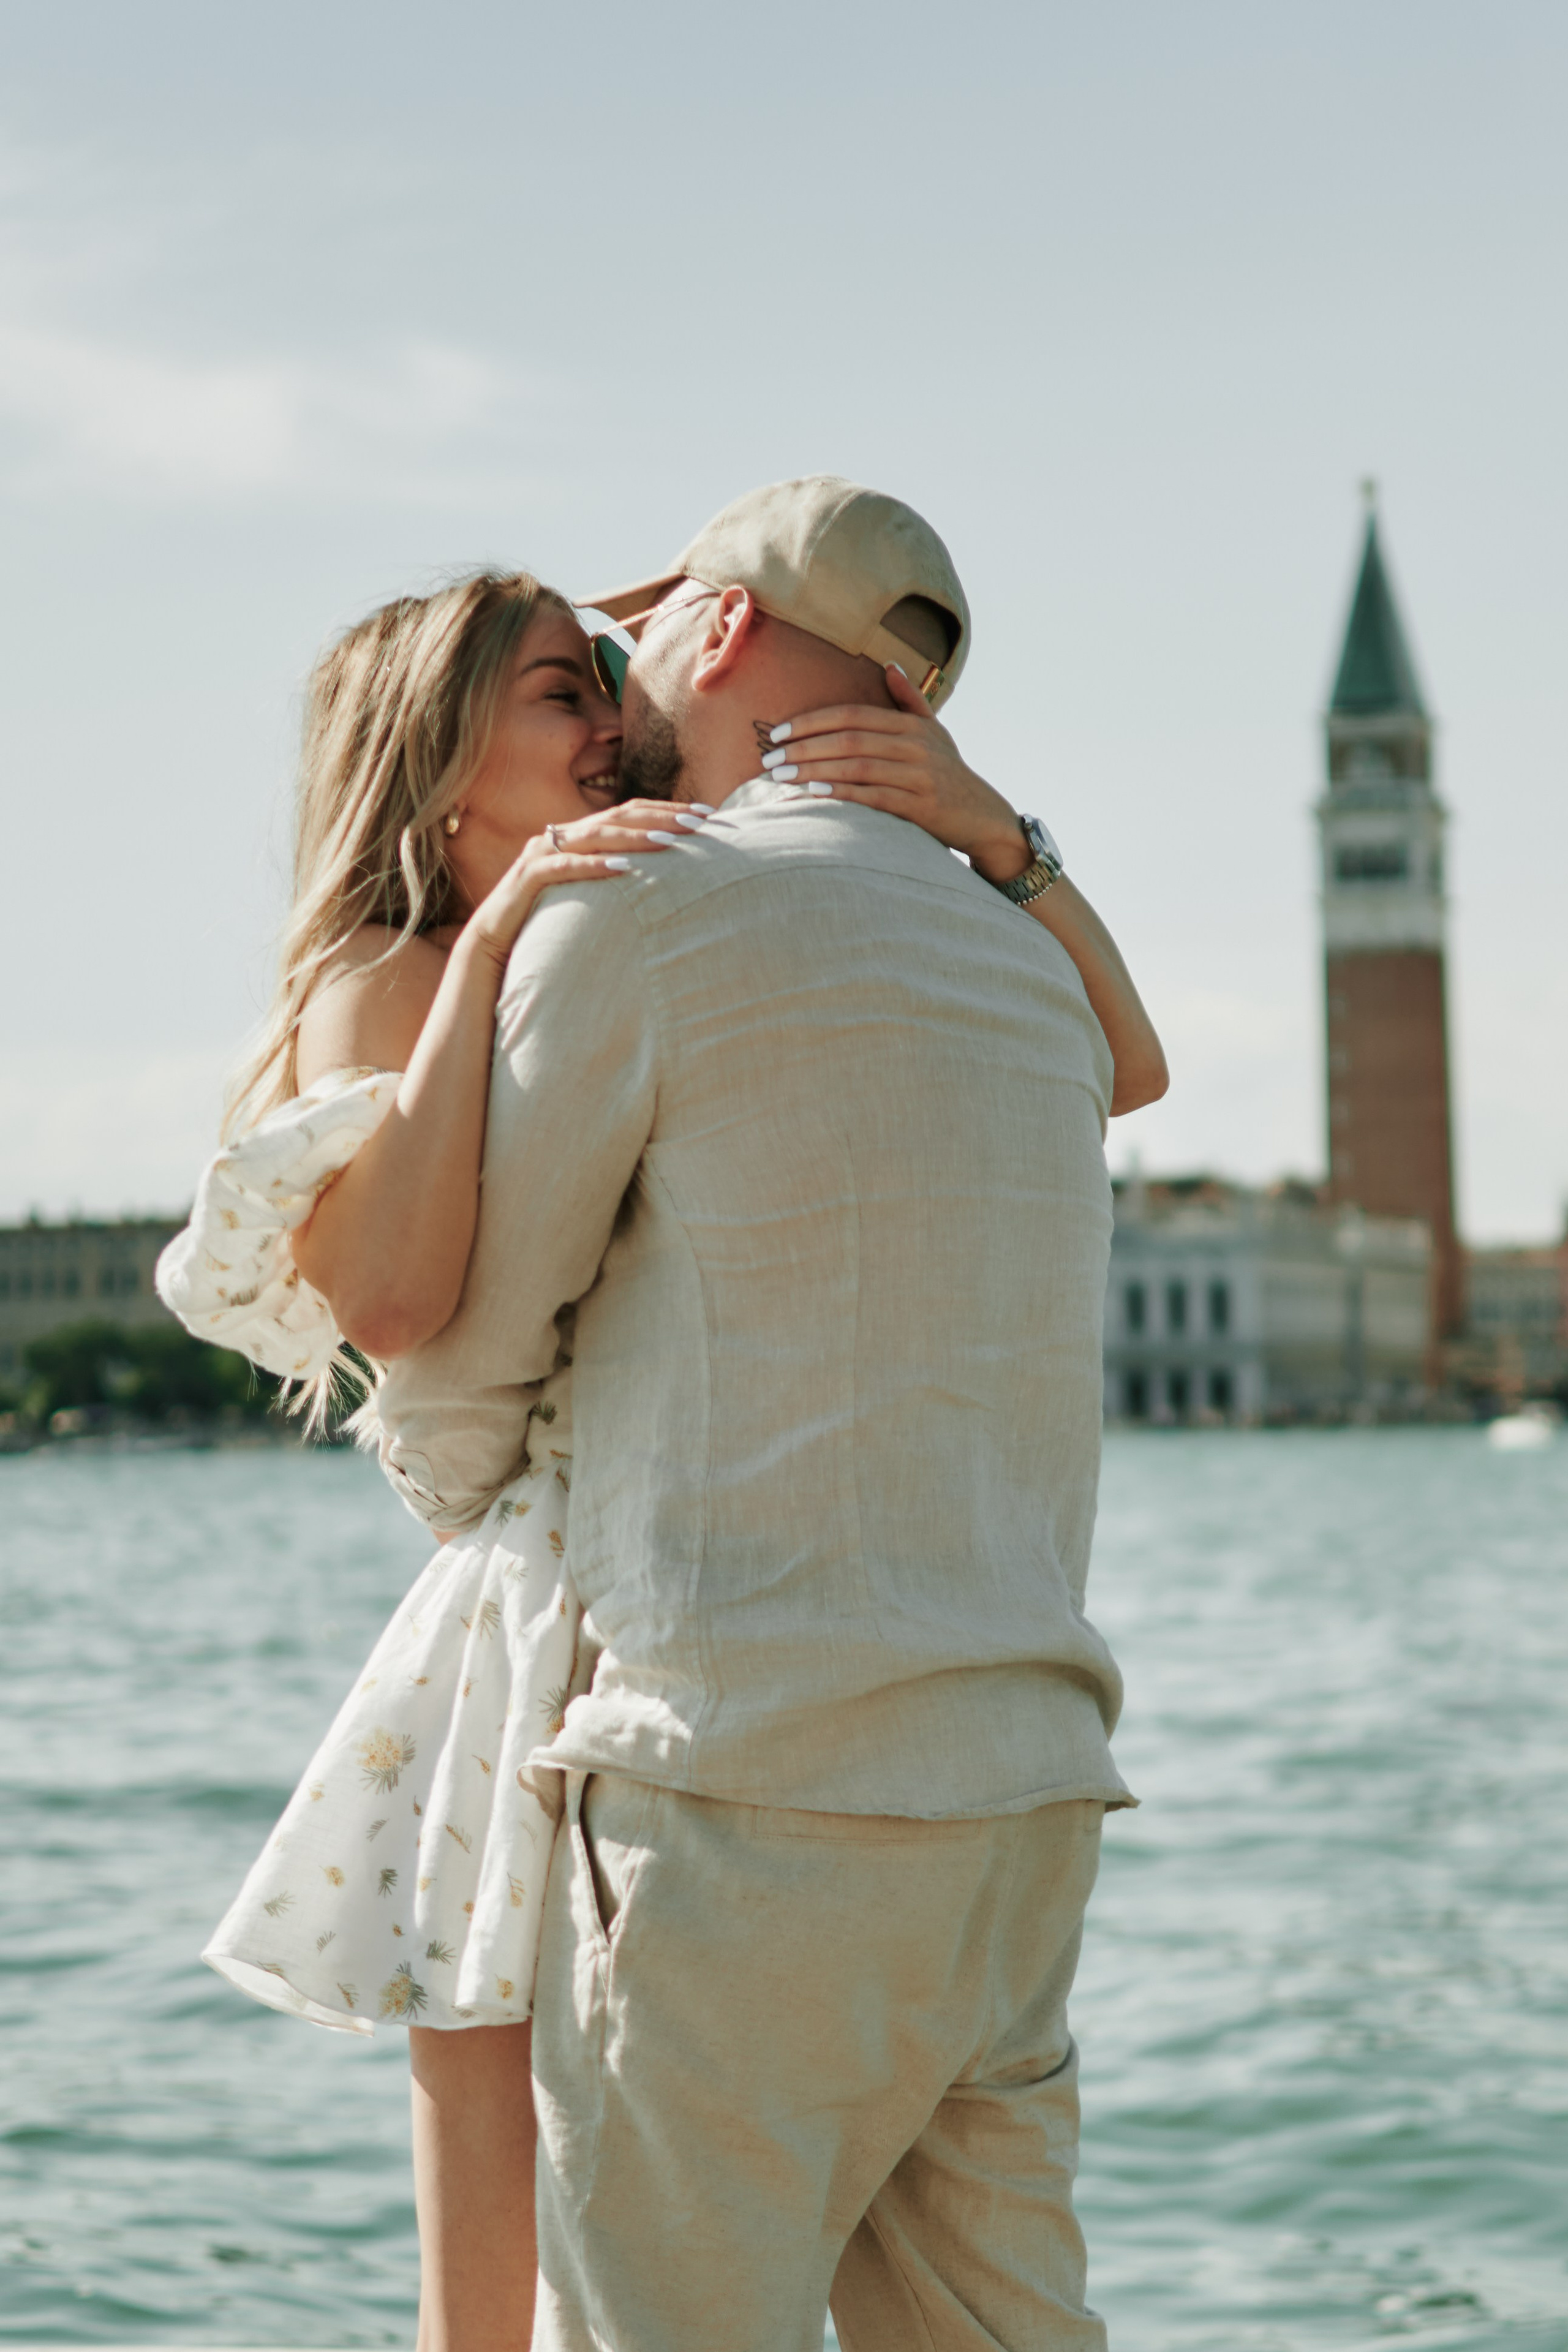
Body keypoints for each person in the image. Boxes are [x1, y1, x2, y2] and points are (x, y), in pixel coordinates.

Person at [156, 531, 1164, 2352]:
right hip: (744, 1675)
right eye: (565, 688)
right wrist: (506, 958)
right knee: (494, 2139)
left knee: (606, 2247)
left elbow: (451, 1387)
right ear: (436, 753)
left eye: (610, 672)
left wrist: (1009, 843)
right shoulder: (418, 969)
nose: (616, 712)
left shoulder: (625, 915)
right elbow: (401, 1316)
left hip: (682, 1680)